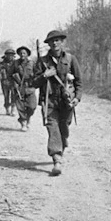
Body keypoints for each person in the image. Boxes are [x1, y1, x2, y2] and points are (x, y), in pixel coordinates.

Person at [32, 30, 82, 176]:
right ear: (48, 44)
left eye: (57, 40)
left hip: (66, 101)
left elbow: (79, 82)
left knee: (63, 128)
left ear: (62, 42)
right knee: (52, 128)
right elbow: (33, 83)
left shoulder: (71, 59)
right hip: (49, 101)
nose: (55, 43)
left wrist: (77, 98)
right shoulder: (42, 62)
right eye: (51, 41)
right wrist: (44, 76)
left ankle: (62, 142)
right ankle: (57, 160)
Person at [9, 46, 37, 131]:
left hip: (30, 86)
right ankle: (23, 122)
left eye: (24, 53)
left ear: (27, 54)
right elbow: (10, 75)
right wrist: (14, 83)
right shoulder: (15, 63)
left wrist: (34, 81)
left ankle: (28, 118)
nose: (22, 55)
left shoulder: (32, 63)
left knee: (32, 106)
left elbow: (37, 74)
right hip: (19, 87)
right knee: (20, 106)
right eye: (20, 53)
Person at [0, 49, 17, 115]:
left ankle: (13, 109)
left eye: (11, 55)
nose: (10, 57)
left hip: (13, 81)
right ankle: (7, 108)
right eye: (8, 55)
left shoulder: (15, 63)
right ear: (6, 55)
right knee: (6, 96)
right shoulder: (2, 63)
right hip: (5, 81)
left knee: (14, 95)